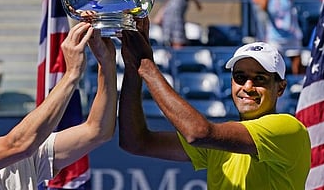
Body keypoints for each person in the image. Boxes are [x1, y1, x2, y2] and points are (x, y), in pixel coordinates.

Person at [118, 17, 311, 189]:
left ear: (280, 88)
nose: (248, 86)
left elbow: (198, 133)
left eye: (260, 79)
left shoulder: (288, 128)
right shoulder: (221, 141)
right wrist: (133, 67)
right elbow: (136, 142)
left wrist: (146, 66)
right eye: (240, 77)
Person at [0, 22, 118, 189]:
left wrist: (106, 64)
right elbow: (18, 145)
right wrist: (71, 74)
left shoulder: (28, 153)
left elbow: (98, 130)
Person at [257, 0, 304, 74]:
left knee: (297, 63)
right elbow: (263, 7)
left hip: (292, 34)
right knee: (274, 64)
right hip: (275, 37)